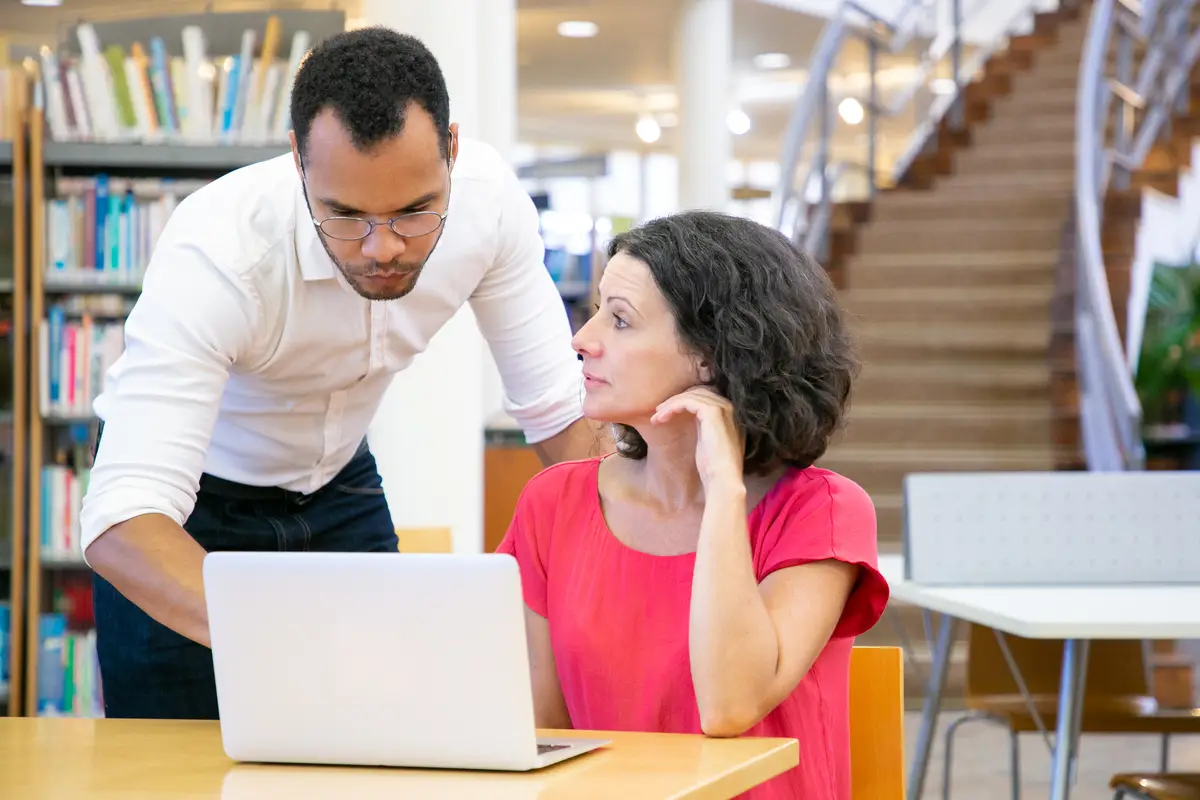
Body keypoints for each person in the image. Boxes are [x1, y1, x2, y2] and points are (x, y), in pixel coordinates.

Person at [80, 27, 604, 721]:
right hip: (192, 515)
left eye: (414, 211)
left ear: (451, 149)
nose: (383, 248)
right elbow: (123, 517)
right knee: (177, 766)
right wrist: (287, 642)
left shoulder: (489, 206)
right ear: (299, 162)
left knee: (383, 738)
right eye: (346, 215)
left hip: (338, 484)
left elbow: (564, 421)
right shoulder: (221, 251)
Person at [496, 211, 890, 799]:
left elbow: (730, 705)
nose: (583, 339)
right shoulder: (551, 502)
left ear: (710, 355)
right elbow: (544, 735)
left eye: (620, 319)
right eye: (597, 311)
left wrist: (723, 487)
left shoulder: (822, 512)